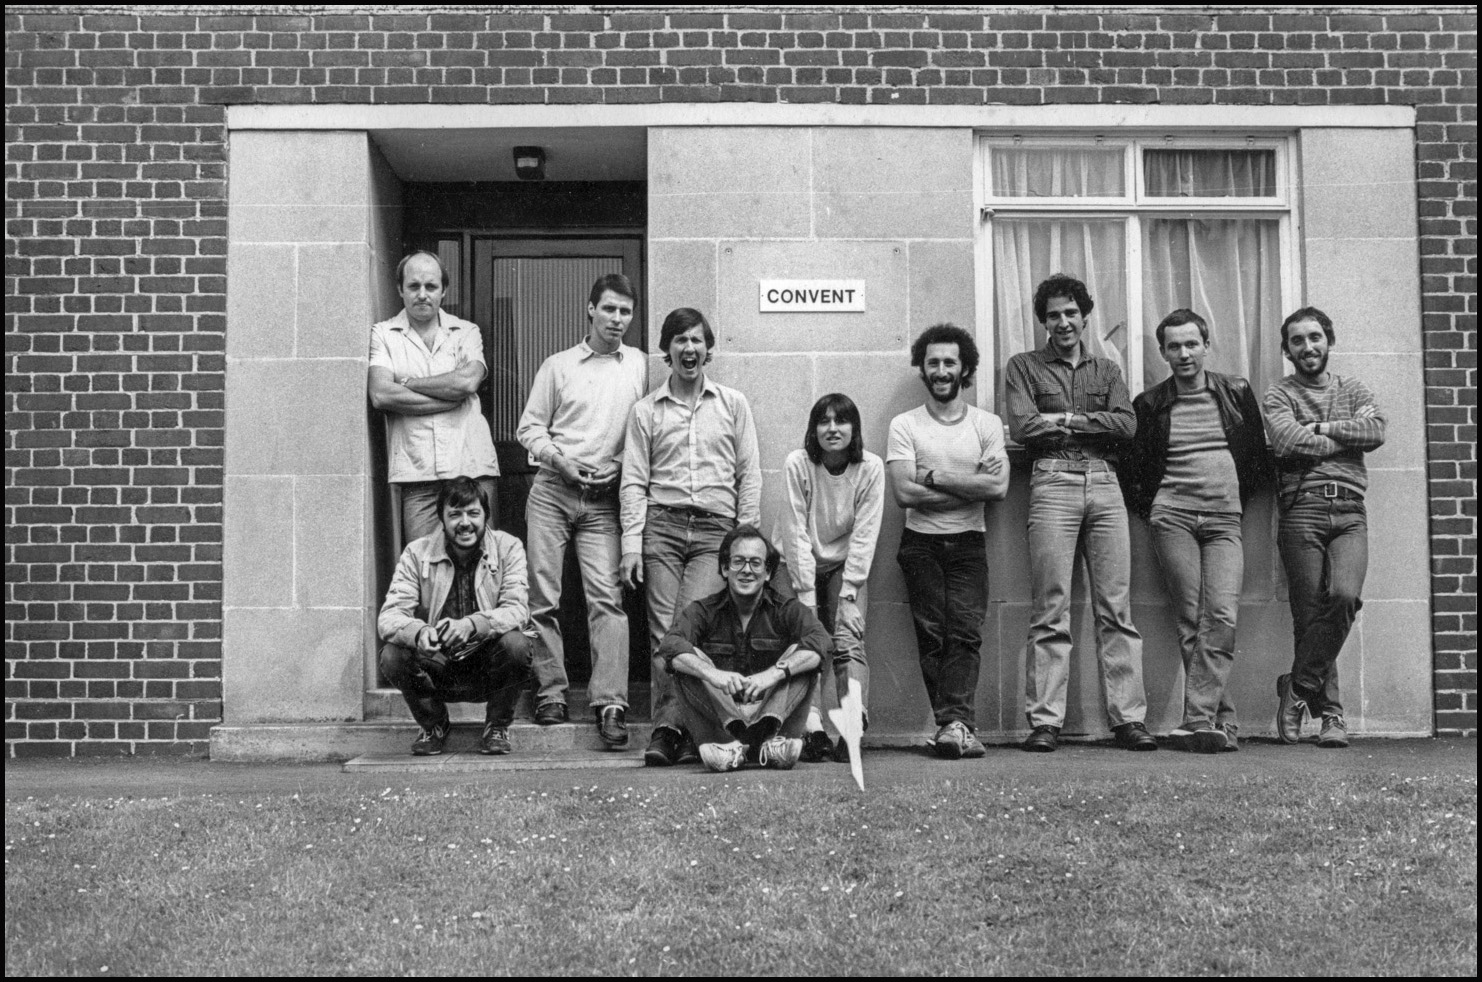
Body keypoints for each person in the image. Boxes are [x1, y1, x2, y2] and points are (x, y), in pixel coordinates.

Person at [1005, 273, 1155, 753]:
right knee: (1051, 605)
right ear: (1044, 322)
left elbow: (1127, 425)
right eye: (1053, 315)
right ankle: (1045, 722)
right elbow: (1025, 425)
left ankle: (1129, 720)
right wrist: (1091, 426)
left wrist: (1066, 420)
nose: (1063, 322)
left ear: (1085, 316)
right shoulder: (1024, 366)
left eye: (1071, 313)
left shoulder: (1107, 370)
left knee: (1116, 606)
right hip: (1051, 481)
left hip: (1105, 483)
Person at [1121, 309, 1272, 753]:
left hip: (1224, 518)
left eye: (1192, 344)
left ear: (1207, 345)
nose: (1184, 353)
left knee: (1221, 615)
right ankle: (1218, 723)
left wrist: (1233, 502)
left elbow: (1256, 460)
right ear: (1163, 352)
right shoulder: (1150, 404)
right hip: (1173, 518)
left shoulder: (1236, 391)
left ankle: (1201, 719)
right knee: (1191, 619)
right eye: (1174, 346)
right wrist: (1155, 510)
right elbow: (1133, 471)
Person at [620, 308, 762, 767]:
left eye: (697, 340)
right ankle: (669, 730)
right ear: (667, 351)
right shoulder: (646, 411)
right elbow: (634, 481)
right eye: (680, 340)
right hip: (661, 527)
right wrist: (631, 544)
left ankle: (675, 728)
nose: (689, 349)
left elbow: (749, 474)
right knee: (665, 632)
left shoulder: (733, 404)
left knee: (688, 628)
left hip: (714, 531)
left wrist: (745, 541)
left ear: (709, 350)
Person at [516, 273, 647, 745]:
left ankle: (610, 703)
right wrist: (560, 461)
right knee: (542, 598)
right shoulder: (559, 366)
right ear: (590, 310)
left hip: (604, 502)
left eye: (625, 312)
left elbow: (647, 427)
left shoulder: (640, 366)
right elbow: (528, 429)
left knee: (607, 601)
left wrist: (620, 465)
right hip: (553, 489)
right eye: (609, 309)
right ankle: (550, 691)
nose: (617, 319)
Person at [1264, 306, 1385, 749]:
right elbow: (1286, 439)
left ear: (1328, 341)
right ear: (1288, 349)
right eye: (1298, 340)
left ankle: (1295, 688)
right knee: (1310, 613)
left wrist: (1319, 426)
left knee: (1344, 596)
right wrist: (1340, 437)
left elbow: (1375, 430)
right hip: (1303, 509)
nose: (1308, 347)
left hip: (1351, 510)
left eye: (1315, 337)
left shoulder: (1351, 387)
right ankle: (1332, 716)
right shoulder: (1279, 395)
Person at [886, 324, 1009, 760]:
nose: (941, 370)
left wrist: (934, 476)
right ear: (923, 367)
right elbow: (903, 493)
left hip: (969, 544)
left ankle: (953, 725)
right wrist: (968, 484)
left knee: (965, 634)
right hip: (920, 543)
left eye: (949, 362)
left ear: (965, 368)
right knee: (933, 636)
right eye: (933, 362)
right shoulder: (905, 425)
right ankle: (954, 725)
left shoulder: (986, 424)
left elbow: (996, 489)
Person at [376, 477, 532, 757]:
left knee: (518, 644)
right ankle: (434, 724)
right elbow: (389, 617)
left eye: (473, 513)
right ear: (441, 518)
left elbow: (518, 609)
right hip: (439, 663)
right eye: (455, 514)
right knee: (392, 655)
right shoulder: (416, 553)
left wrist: (474, 624)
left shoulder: (509, 548)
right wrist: (420, 632)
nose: (465, 523)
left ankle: (497, 726)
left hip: (487, 664)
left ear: (486, 515)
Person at [658, 525, 832, 772]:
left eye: (755, 563)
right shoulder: (703, 611)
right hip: (723, 718)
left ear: (768, 572)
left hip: (773, 716)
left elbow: (821, 640)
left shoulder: (786, 609)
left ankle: (763, 744)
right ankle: (735, 746)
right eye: (738, 562)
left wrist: (772, 674)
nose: (746, 570)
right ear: (724, 568)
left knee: (803, 654)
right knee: (686, 658)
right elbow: (670, 645)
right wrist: (713, 674)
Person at [368, 251, 500, 544]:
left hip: (471, 466)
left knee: (482, 564)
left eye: (431, 287)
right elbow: (381, 394)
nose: (422, 295)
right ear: (400, 289)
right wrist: (448, 398)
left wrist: (409, 383)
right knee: (425, 566)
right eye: (414, 286)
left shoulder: (465, 332)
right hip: (418, 473)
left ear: (444, 291)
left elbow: (466, 382)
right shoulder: (384, 334)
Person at [781, 393, 885, 762]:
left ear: (853, 428)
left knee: (848, 642)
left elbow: (865, 534)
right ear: (814, 429)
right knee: (805, 647)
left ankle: (852, 727)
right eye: (823, 421)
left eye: (841, 421)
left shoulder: (870, 467)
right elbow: (794, 532)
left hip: (846, 567)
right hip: (800, 566)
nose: (832, 429)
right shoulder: (799, 463)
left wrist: (849, 594)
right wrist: (806, 596)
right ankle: (811, 730)